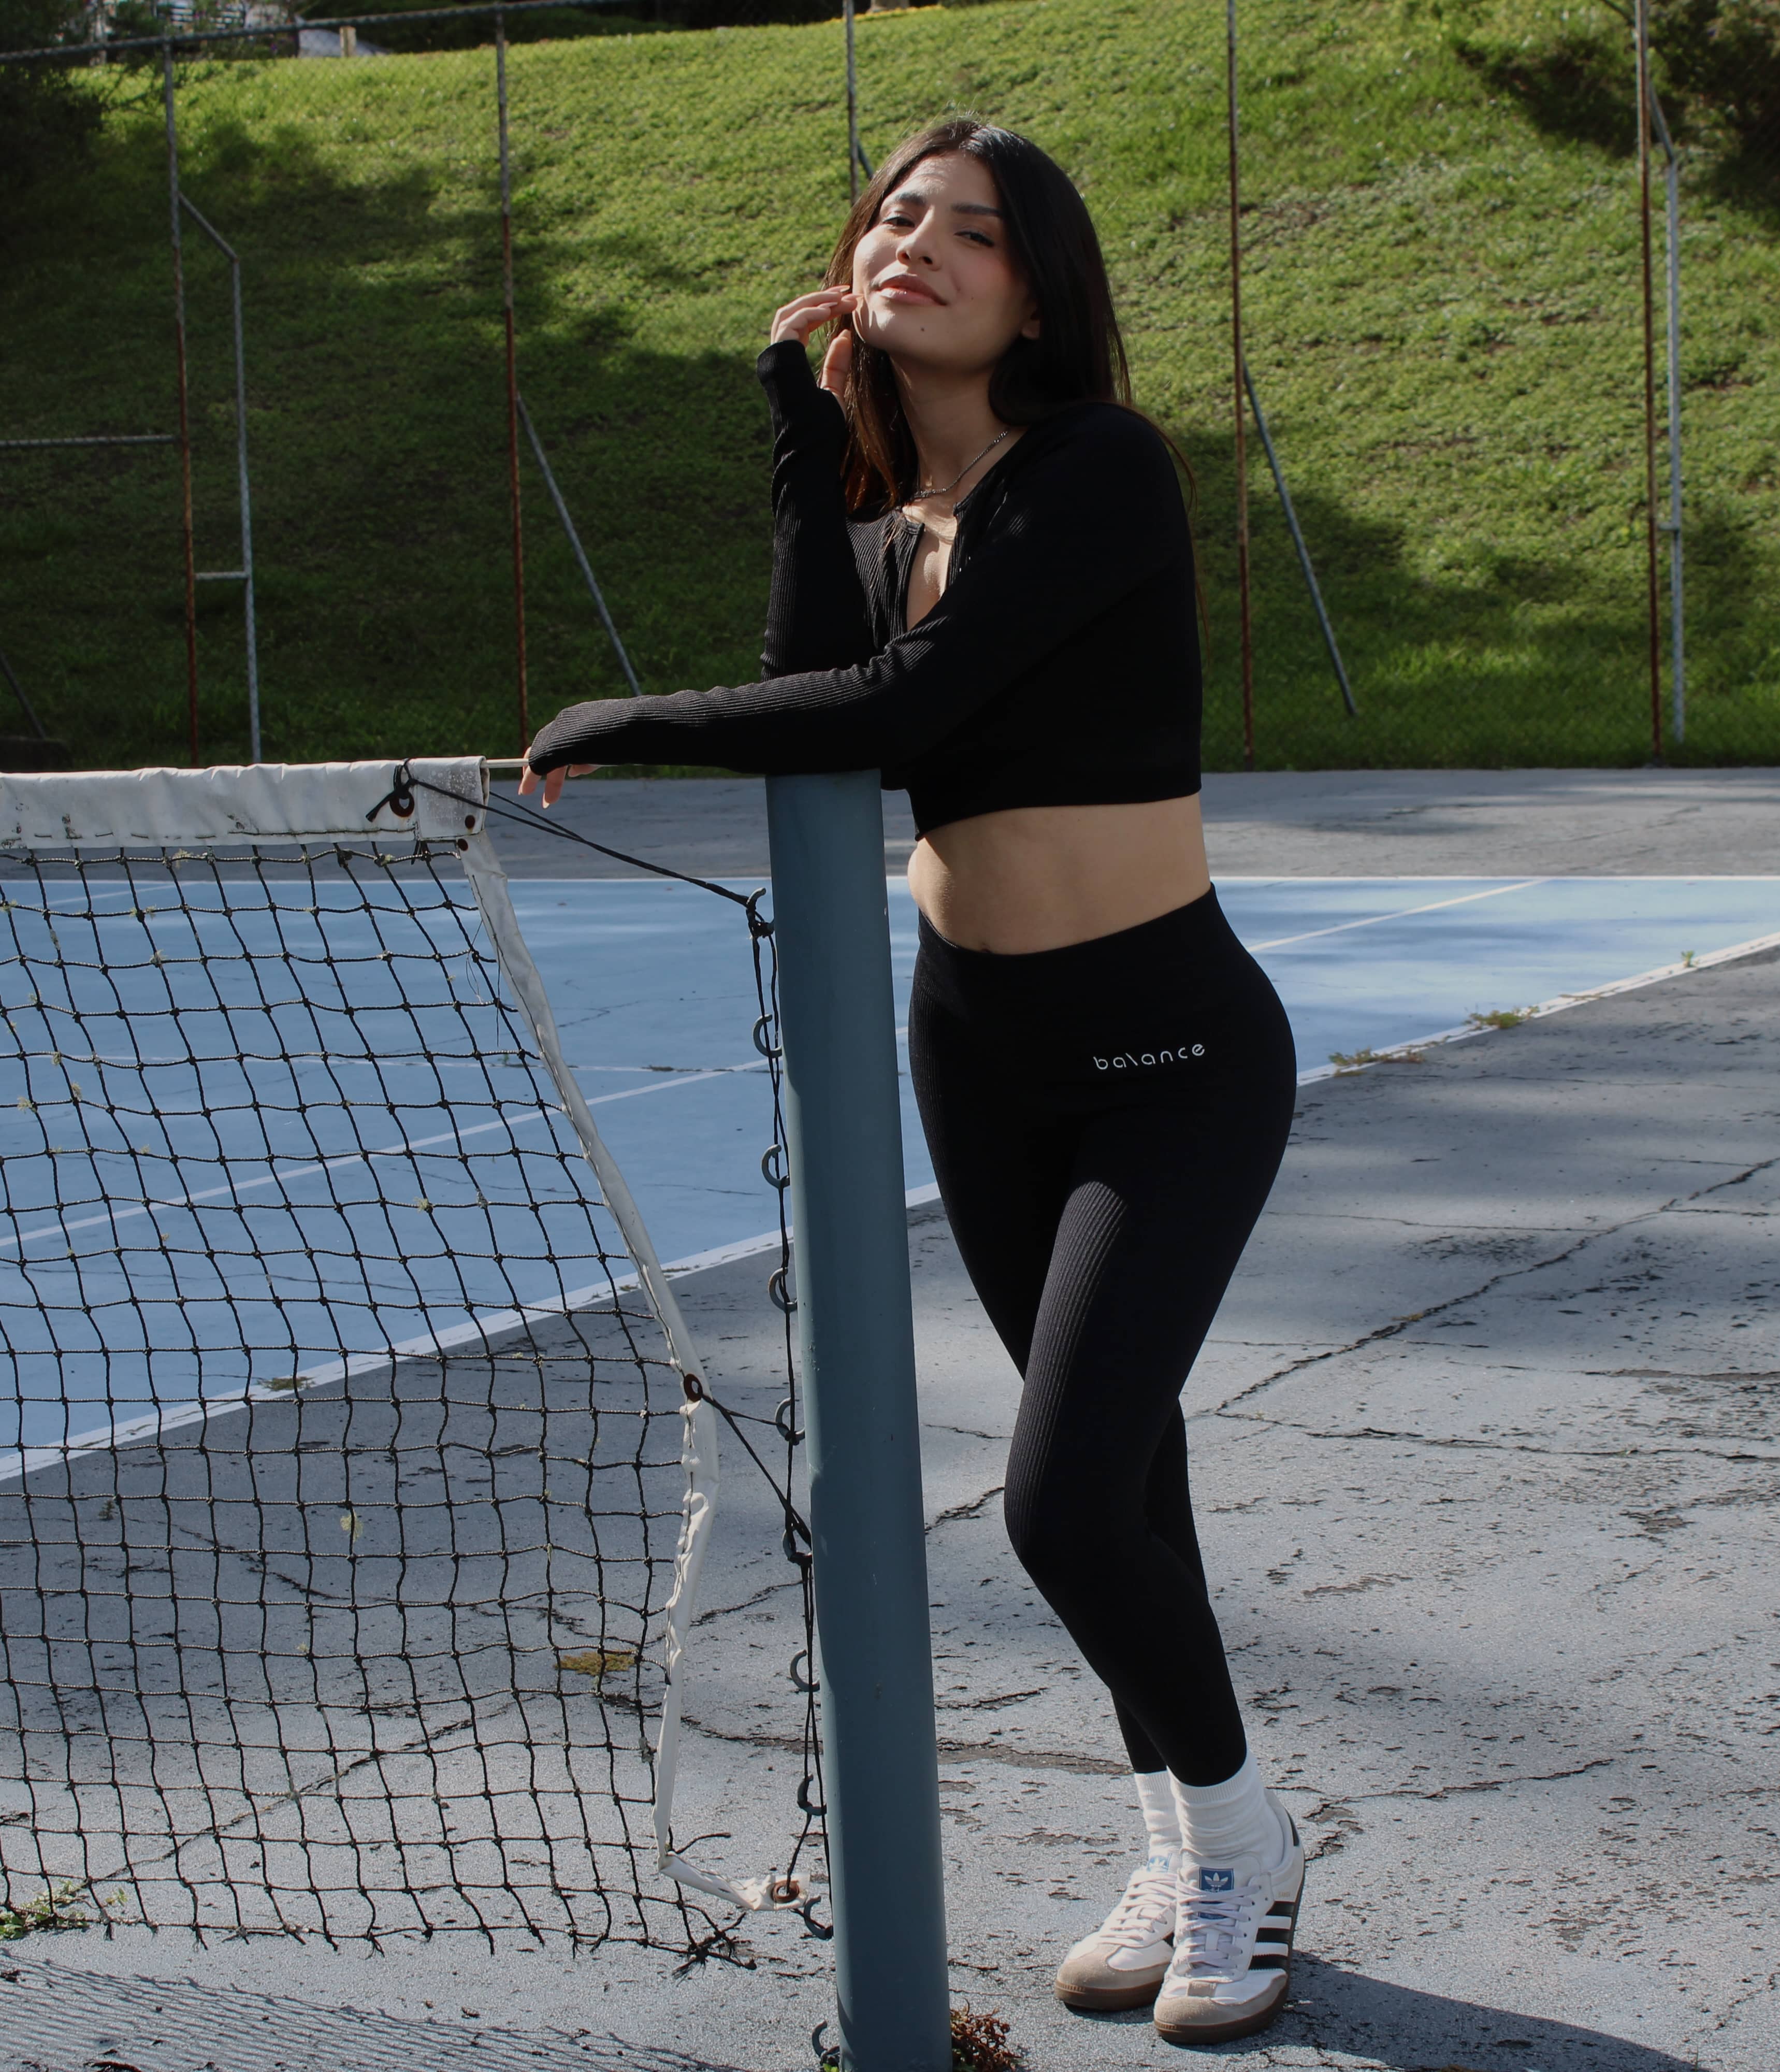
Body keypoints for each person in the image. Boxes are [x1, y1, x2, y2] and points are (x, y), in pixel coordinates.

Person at [520, 117, 1303, 2047]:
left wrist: (633, 716)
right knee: (1130, 1481)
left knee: (1060, 1502)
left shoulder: (1095, 470)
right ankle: (1174, 1843)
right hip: (981, 1048)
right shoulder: (898, 531)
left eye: (973, 231)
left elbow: (910, 706)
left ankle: (1244, 1839)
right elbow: (821, 692)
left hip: (1169, 1051)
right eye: (894, 218)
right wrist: (808, 447)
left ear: (1036, 292)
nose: (918, 246)